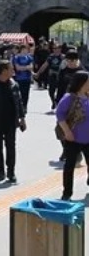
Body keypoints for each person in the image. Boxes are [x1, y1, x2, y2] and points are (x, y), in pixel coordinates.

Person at [56, 71, 89, 201]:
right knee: (70, 166)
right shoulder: (69, 97)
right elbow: (60, 115)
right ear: (82, 83)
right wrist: (67, 132)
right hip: (73, 138)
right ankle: (67, 192)